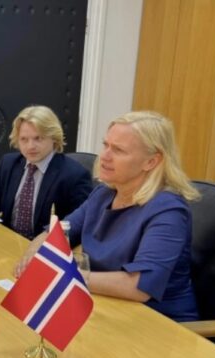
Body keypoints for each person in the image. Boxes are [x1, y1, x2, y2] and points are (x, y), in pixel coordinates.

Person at [17, 111, 199, 321]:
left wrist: (66, 275)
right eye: (106, 145)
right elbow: (59, 231)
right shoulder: (103, 194)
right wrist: (33, 255)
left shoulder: (169, 211)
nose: (104, 156)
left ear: (151, 161)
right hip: (105, 307)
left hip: (157, 323)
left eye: (119, 150)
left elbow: (139, 286)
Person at [0, 105, 92, 239]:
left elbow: (80, 226)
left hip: (44, 246)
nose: (30, 146)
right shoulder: (9, 163)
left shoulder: (75, 175)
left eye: (38, 138)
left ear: (53, 137)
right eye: (24, 139)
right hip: (8, 241)